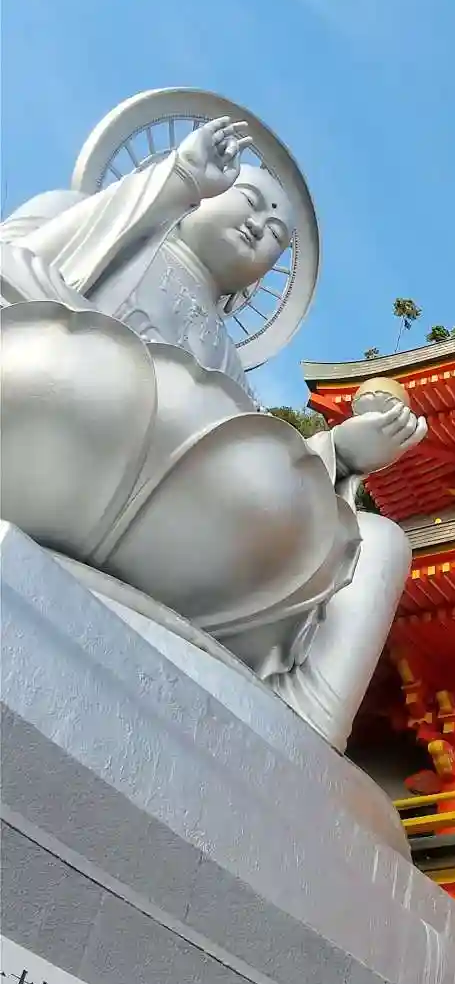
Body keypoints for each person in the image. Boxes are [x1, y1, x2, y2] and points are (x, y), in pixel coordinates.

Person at [0, 116, 426, 748]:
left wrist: (336, 454)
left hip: (177, 530)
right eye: (249, 200)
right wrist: (169, 185)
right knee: (90, 370)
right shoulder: (88, 215)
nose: (260, 226)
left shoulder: (227, 365)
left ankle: (295, 741)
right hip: (47, 418)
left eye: (277, 236)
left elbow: (236, 458)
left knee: (381, 543)